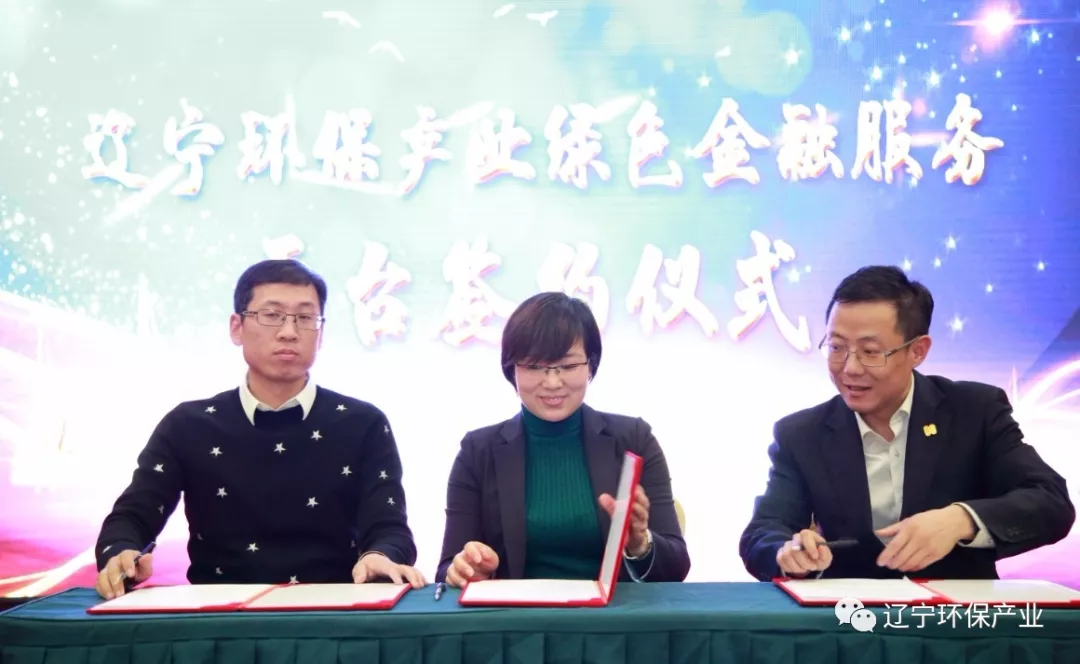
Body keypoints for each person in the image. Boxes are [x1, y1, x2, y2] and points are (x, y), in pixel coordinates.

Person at [94, 259, 425, 599]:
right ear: (236, 327)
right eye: (272, 315)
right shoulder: (188, 425)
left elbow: (389, 526)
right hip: (217, 612)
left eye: (305, 318)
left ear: (321, 333)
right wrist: (121, 553)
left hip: (334, 609)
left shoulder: (363, 423)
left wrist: (380, 555)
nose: (289, 331)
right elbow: (132, 517)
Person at [740, 265, 1075, 581]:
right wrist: (787, 553)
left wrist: (961, 519)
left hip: (955, 615)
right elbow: (763, 532)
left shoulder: (974, 411)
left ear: (918, 351)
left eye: (871, 352)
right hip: (848, 615)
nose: (850, 368)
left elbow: (1050, 502)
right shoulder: (802, 434)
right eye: (837, 347)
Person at [436, 292, 690, 587]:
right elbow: (447, 570)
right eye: (534, 366)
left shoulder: (634, 439)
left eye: (568, 366)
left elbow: (677, 567)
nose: (552, 382)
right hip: (516, 614)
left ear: (591, 365)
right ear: (511, 368)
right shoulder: (477, 452)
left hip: (614, 614)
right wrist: (469, 569)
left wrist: (640, 545)